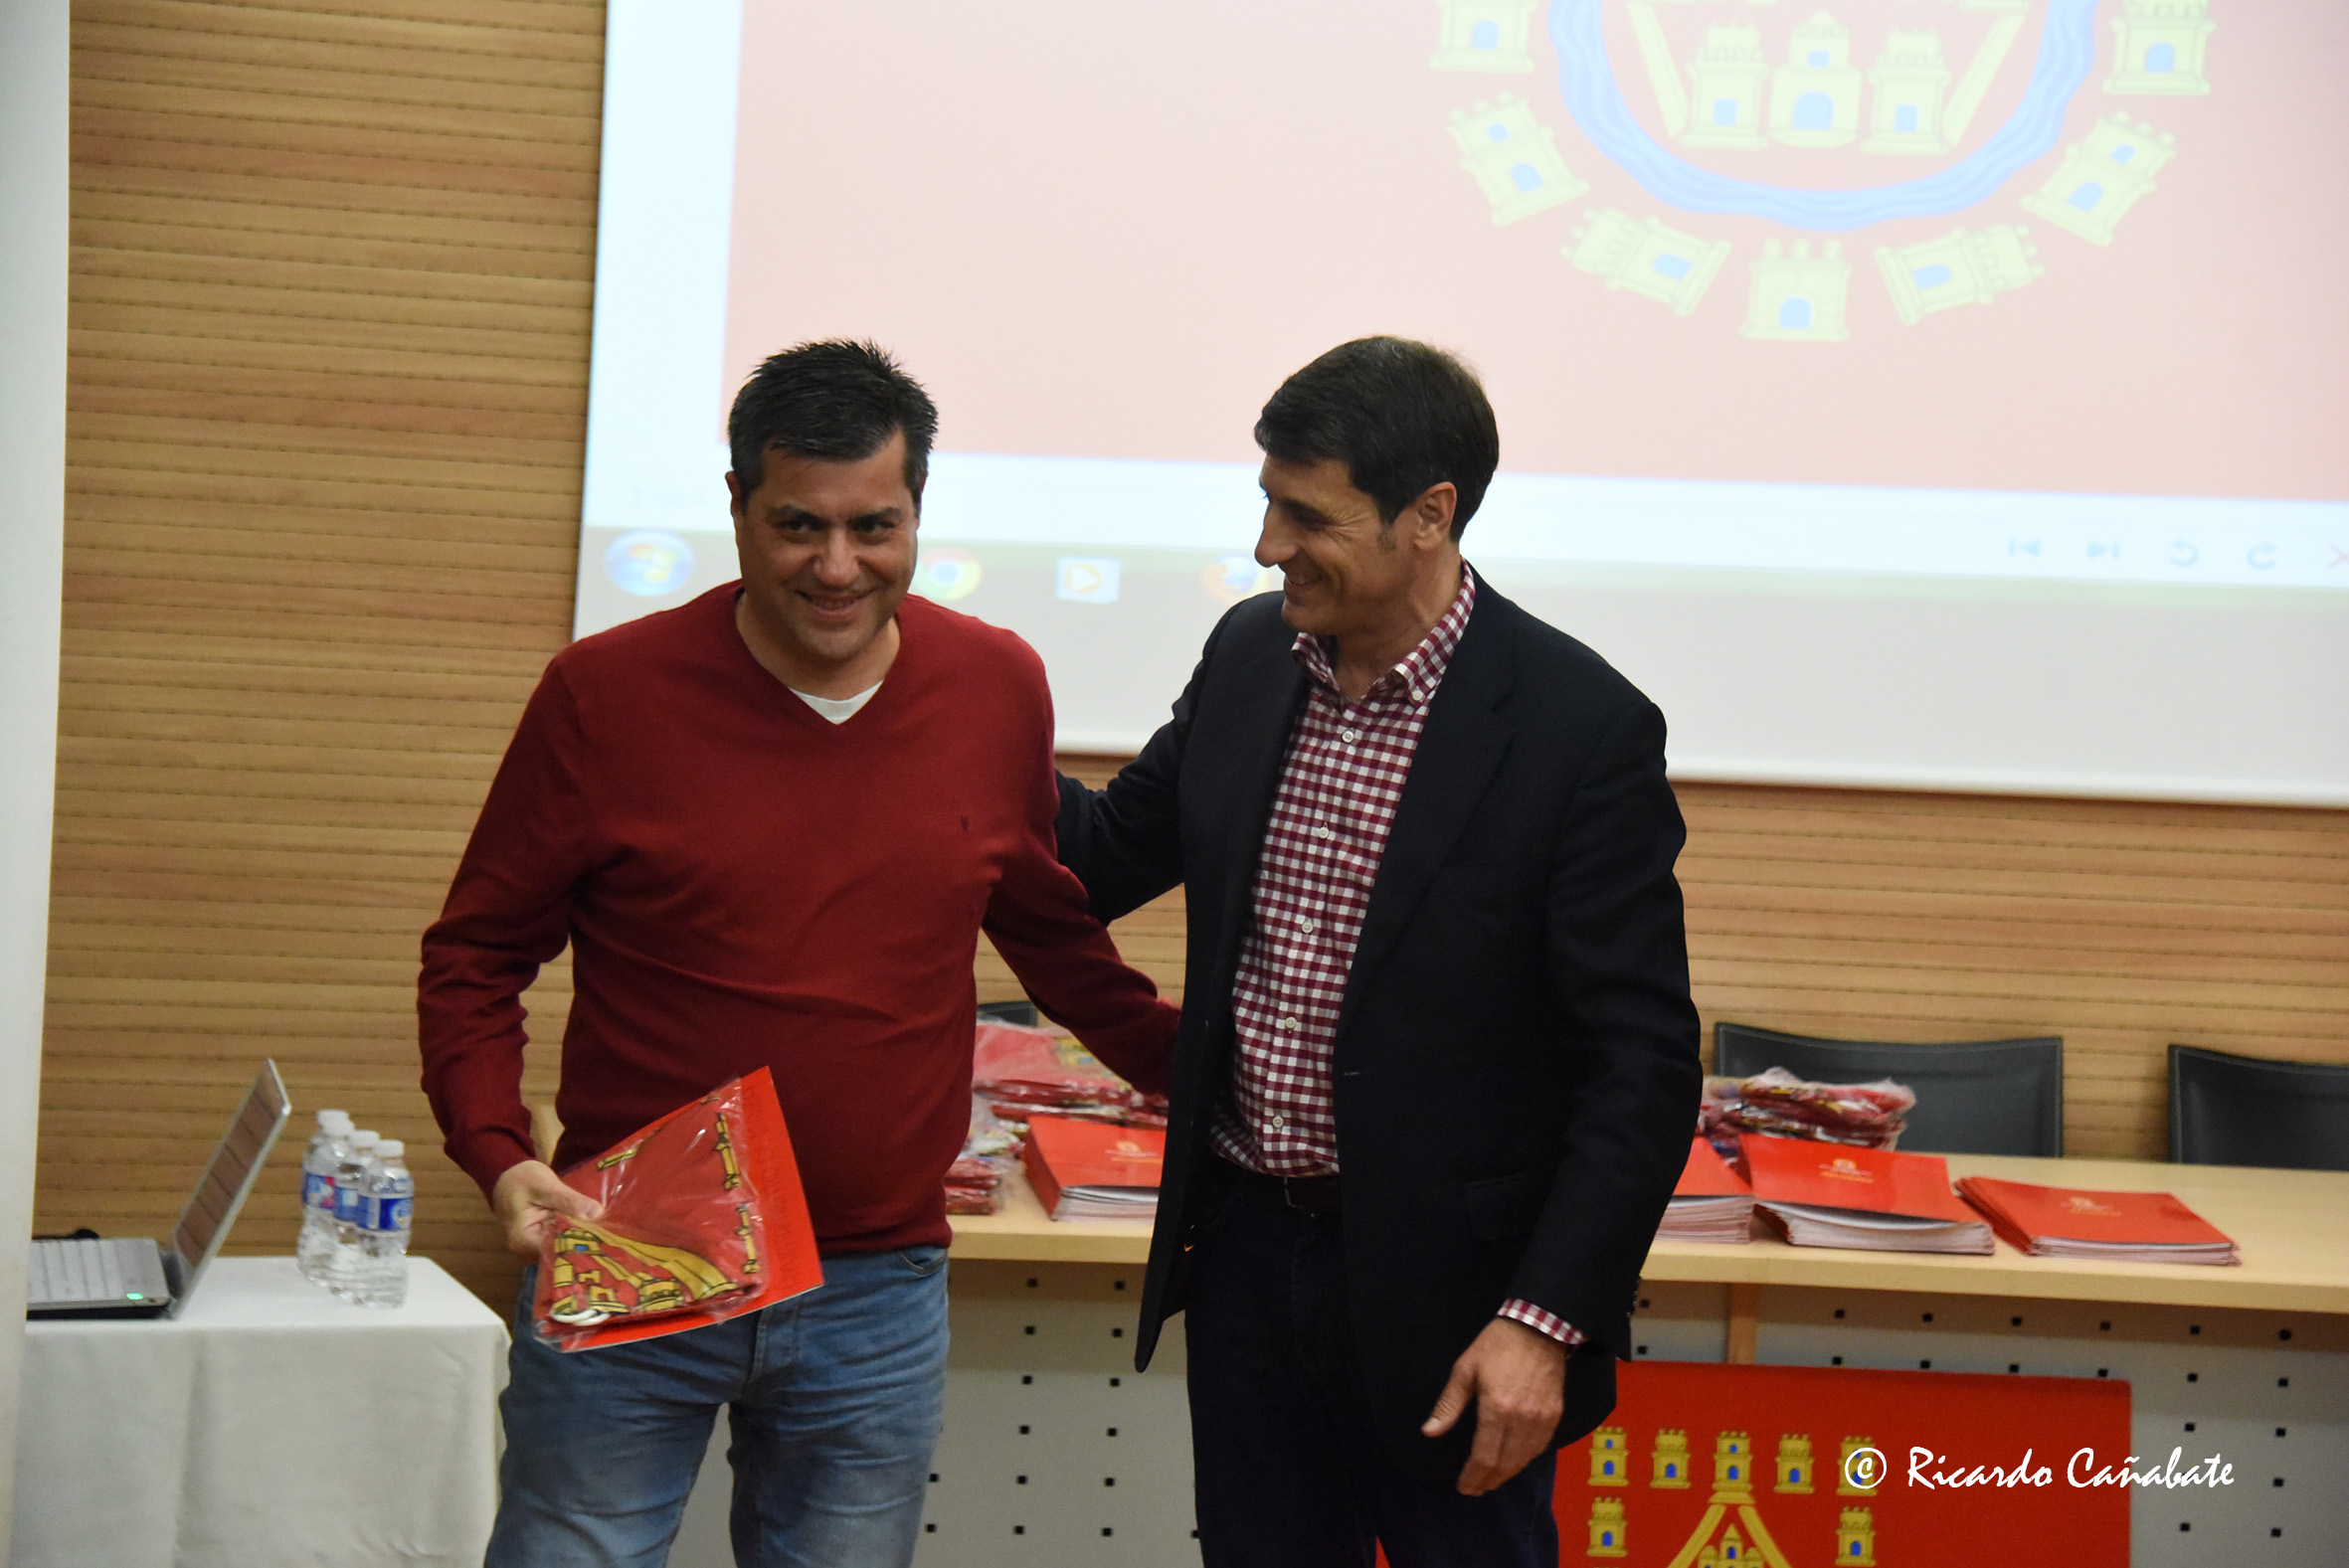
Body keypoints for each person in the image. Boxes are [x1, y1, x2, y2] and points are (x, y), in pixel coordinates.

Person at [419, 339, 1176, 1567]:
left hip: (875, 1286)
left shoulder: (996, 683)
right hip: (634, 1252)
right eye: (797, 526)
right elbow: (474, 954)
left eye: (874, 526)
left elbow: (1050, 933)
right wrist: (499, 1154)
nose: (836, 566)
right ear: (736, 506)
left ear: (917, 510)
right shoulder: (603, 694)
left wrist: (1215, 1073)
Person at [1053, 337, 1702, 1567]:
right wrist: (943, 711)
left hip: (1457, 1299)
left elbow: (1642, 1064)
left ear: (1429, 513)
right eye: (1267, 502)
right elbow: (1099, 855)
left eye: (1308, 515)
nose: (1268, 546)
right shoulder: (1250, 658)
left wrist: (1544, 1320)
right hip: (1244, 1256)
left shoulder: (1576, 726)